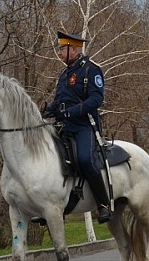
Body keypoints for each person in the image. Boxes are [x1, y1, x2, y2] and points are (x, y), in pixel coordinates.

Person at [42, 30, 111, 224]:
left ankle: (103, 204)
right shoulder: (64, 74)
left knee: (84, 159)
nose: (59, 53)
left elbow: (96, 99)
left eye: (61, 49)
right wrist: (47, 111)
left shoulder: (91, 69)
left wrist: (71, 112)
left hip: (83, 125)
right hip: (63, 125)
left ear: (73, 49)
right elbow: (59, 100)